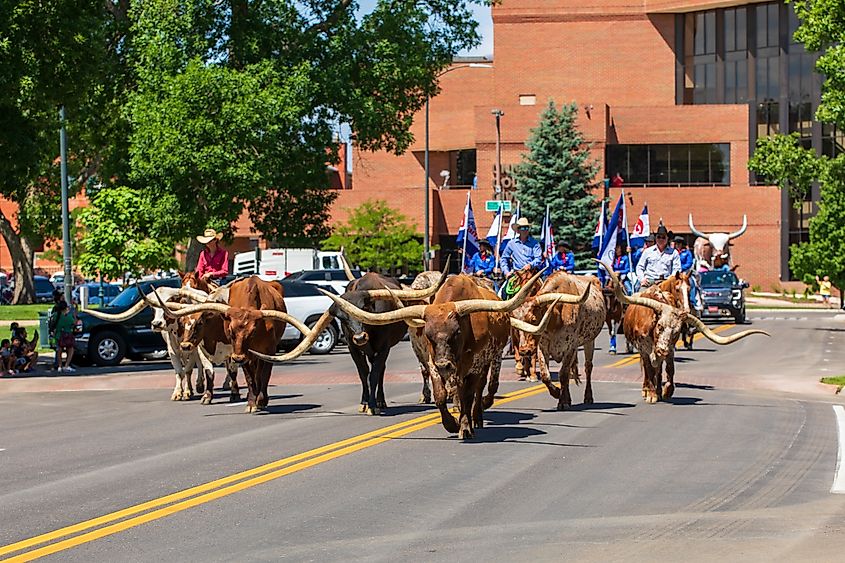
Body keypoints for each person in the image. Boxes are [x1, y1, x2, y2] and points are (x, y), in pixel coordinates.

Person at [54, 300, 76, 372]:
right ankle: (66, 365)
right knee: (70, 349)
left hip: (58, 335)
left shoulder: (55, 315)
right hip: (67, 335)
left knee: (59, 350)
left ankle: (59, 366)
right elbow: (74, 322)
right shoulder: (68, 317)